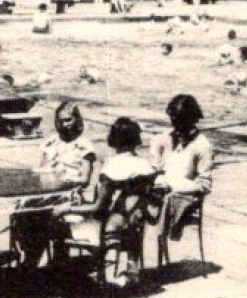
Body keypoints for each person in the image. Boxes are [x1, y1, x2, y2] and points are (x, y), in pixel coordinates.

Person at [65, 118, 157, 285]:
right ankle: (132, 270)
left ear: (113, 141)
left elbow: (98, 206)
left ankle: (64, 278)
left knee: (60, 224)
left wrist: (69, 208)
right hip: (134, 223)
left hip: (111, 226)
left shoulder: (112, 167)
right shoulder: (146, 166)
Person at [20, 102, 96, 267]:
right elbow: (42, 169)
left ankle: (43, 258)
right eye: (60, 121)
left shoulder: (84, 145)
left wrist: (64, 178)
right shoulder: (51, 142)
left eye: (68, 120)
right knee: (22, 210)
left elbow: (85, 179)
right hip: (48, 191)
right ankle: (31, 253)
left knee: (43, 215)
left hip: (70, 193)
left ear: (76, 120)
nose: (64, 125)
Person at [150, 94, 213, 241]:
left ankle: (162, 240)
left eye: (181, 122)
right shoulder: (164, 138)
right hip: (161, 187)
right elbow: (155, 167)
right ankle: (132, 254)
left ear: (192, 120)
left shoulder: (202, 146)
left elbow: (204, 185)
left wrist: (174, 187)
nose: (176, 127)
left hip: (184, 193)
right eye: (174, 121)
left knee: (168, 200)